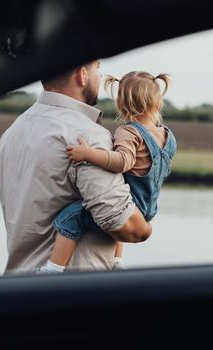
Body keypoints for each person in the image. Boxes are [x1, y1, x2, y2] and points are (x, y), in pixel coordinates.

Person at [0, 60, 152, 275]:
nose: (100, 74)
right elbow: (127, 227)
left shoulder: (13, 132)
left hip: (19, 286)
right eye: (97, 67)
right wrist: (146, 226)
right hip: (72, 293)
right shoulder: (86, 136)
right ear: (82, 75)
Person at [36, 71, 177, 274]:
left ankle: (53, 268)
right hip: (149, 208)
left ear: (123, 102)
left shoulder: (129, 132)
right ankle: (117, 261)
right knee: (123, 195)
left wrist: (88, 154)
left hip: (131, 205)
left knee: (72, 216)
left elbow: (122, 162)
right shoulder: (167, 136)